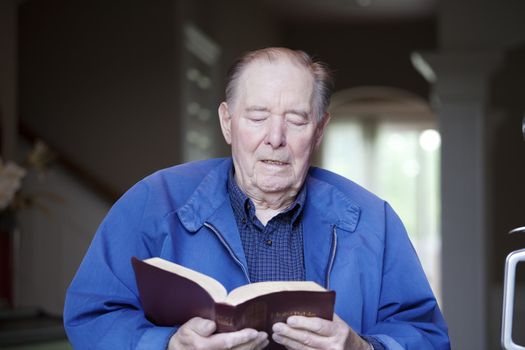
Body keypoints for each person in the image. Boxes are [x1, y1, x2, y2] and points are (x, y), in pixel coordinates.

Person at [64, 47, 450, 350]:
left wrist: (363, 348)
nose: (276, 138)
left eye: (296, 119)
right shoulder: (152, 201)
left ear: (319, 131)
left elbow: (428, 337)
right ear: (227, 122)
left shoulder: (373, 220)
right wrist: (166, 345)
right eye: (257, 116)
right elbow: (93, 315)